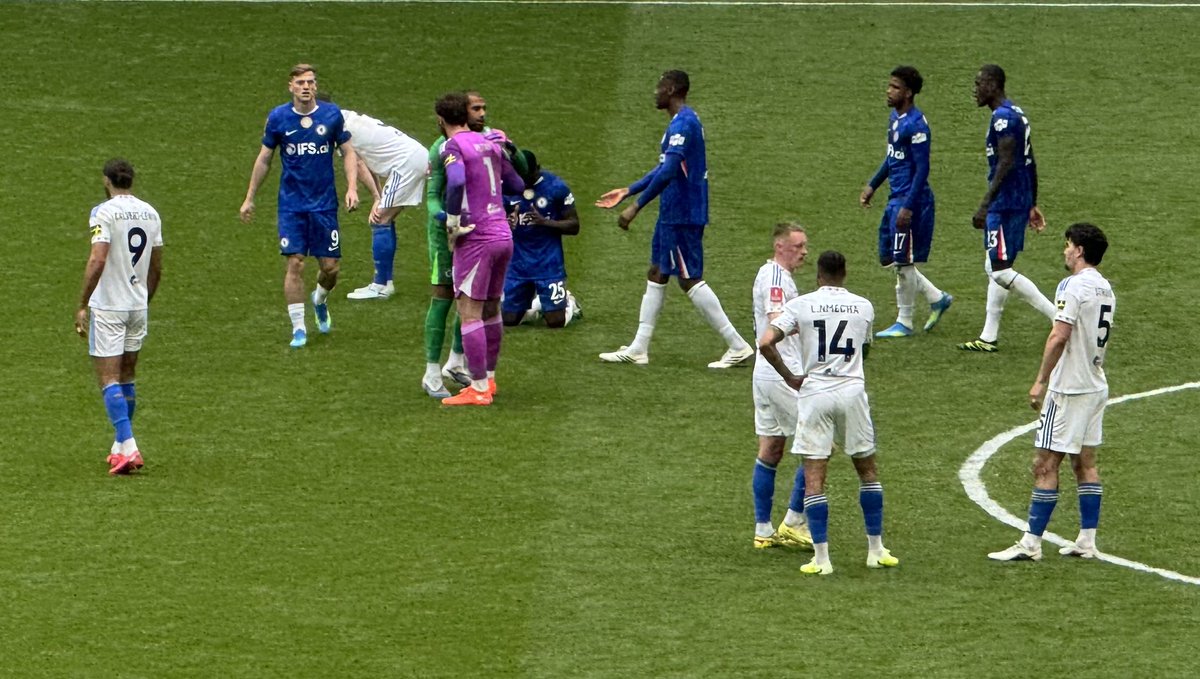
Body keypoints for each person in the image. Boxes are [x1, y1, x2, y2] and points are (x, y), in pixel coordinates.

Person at [596, 70, 753, 368]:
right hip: (673, 212)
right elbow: (664, 167)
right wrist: (628, 190)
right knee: (657, 271)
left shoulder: (683, 124)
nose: (655, 92)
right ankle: (639, 348)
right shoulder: (682, 121)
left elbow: (669, 172)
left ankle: (737, 344)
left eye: (659, 87)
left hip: (682, 213)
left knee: (689, 278)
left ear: (670, 89)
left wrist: (636, 207)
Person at [758, 251, 898, 575]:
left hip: (815, 394)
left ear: (819, 276)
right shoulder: (863, 306)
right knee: (867, 471)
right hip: (852, 392)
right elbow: (864, 349)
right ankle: (876, 550)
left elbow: (766, 343)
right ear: (844, 274)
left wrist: (789, 377)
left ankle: (821, 560)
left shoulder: (801, 305)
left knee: (814, 477)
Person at [989, 223, 1114, 562]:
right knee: (1085, 463)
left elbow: (1059, 335)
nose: (1065, 250)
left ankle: (1031, 544)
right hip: (1095, 384)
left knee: (1045, 463)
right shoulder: (1105, 288)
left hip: (1068, 388)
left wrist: (1041, 380)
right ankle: (1086, 540)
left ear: (1080, 251)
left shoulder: (1072, 286)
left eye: (1068, 245)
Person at [239, 63, 359, 348]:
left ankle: (320, 299)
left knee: (330, 268)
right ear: (291, 86)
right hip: (292, 205)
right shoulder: (278, 118)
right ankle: (298, 329)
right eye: (301, 83)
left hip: (324, 205)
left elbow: (348, 152)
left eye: (311, 82)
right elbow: (265, 159)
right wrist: (249, 197)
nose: (307, 87)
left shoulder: (331, 115)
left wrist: (352, 187)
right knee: (295, 262)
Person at [422, 91, 523, 397]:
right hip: (503, 234)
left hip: (475, 236)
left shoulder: (451, 145)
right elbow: (518, 184)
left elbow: (455, 181)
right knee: (491, 308)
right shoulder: (490, 143)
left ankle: (478, 388)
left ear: (441, 119)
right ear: (465, 115)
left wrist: (453, 221)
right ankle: (488, 379)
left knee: (469, 312)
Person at [74, 159, 163, 475]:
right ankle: (119, 446)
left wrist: (83, 303)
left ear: (106, 180)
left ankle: (130, 445)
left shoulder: (104, 212)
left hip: (110, 306)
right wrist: (143, 300)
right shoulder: (151, 213)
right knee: (127, 376)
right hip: (138, 306)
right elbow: (156, 267)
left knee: (108, 378)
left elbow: (98, 259)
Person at [958, 64, 1055, 353]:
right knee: (995, 265)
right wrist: (1032, 202)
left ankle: (1059, 318)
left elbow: (1007, 162)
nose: (975, 89)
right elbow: (1031, 160)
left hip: (1005, 203)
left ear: (993, 84)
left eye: (979, 83)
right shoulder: (1017, 113)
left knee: (1000, 270)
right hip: (1017, 200)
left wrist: (985, 204)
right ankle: (989, 336)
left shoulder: (1003, 117)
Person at [860, 65, 953, 337]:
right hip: (895, 199)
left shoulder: (917, 125)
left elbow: (922, 170)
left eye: (895, 87)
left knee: (903, 262)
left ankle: (905, 321)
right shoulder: (895, 118)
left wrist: (908, 206)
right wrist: (873, 184)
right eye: (889, 85)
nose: (888, 91)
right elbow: (893, 157)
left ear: (909, 93)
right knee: (890, 257)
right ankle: (937, 298)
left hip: (912, 201)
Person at [749, 223, 812, 550]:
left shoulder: (778, 276)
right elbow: (777, 321)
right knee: (819, 445)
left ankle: (763, 529)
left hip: (764, 374)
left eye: (804, 246)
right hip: (781, 374)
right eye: (798, 246)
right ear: (779, 246)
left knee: (772, 448)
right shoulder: (775, 278)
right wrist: (813, 325)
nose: (804, 252)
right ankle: (794, 521)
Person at [335, 106, 428, 301]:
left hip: (406, 164)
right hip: (413, 158)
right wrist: (378, 196)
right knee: (384, 219)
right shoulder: (351, 119)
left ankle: (380, 285)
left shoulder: (338, 128)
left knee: (380, 220)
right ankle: (386, 283)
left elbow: (358, 164)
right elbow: (366, 160)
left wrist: (377, 198)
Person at [502, 149, 582, 328]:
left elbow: (574, 225)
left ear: (537, 168)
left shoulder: (556, 187)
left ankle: (569, 302)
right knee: (508, 320)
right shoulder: (506, 187)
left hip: (548, 265)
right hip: (518, 266)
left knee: (556, 322)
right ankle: (537, 304)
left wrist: (545, 222)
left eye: (527, 176)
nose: (523, 182)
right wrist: (505, 221)